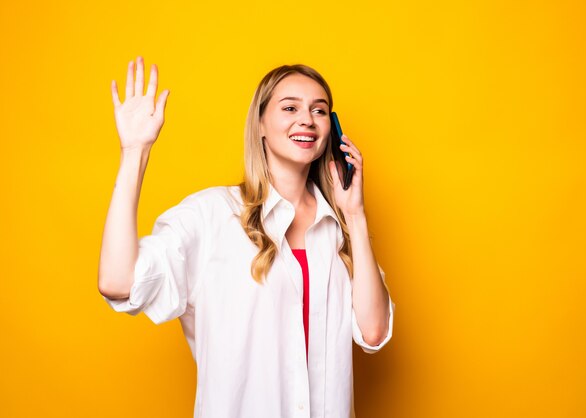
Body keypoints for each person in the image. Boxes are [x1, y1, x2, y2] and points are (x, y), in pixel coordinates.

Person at [98, 56, 395, 418]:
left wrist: (355, 213)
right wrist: (134, 152)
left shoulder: (339, 227)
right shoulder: (211, 215)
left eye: (320, 111)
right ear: (260, 125)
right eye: (290, 107)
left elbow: (374, 331)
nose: (307, 119)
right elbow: (118, 283)